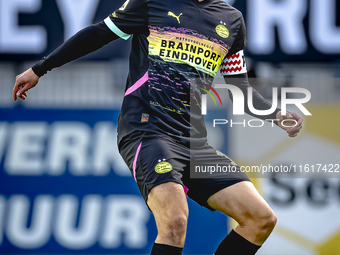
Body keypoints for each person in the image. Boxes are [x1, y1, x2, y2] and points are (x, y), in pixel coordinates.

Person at [13, 0, 303, 254]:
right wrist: (40, 68)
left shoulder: (232, 20)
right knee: (175, 222)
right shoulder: (152, 2)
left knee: (260, 219)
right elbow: (99, 33)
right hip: (147, 131)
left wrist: (277, 115)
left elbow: (240, 91)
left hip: (194, 141)